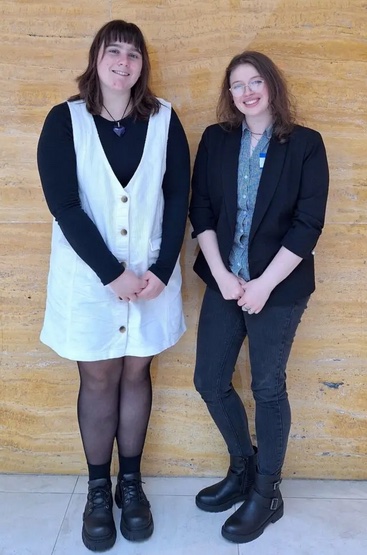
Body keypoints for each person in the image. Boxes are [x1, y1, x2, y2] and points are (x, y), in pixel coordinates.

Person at [37, 19, 190, 552]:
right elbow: (64, 206)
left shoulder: (166, 120)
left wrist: (162, 270)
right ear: (96, 59)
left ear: (143, 65)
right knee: (99, 379)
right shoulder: (65, 121)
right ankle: (98, 490)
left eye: (133, 54)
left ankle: (132, 483)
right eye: (113, 52)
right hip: (91, 278)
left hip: (151, 278)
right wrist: (112, 273)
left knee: (136, 373)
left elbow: (178, 202)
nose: (123, 63)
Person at [189, 51, 328, 544]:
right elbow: (201, 209)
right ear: (229, 94)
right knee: (209, 379)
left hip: (280, 286)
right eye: (236, 85)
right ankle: (245, 469)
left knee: (268, 387)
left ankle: (268, 493)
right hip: (227, 280)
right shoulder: (216, 140)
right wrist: (226, 277)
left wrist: (264, 284)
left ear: (272, 85)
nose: (246, 92)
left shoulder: (306, 145)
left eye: (255, 82)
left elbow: (308, 224)